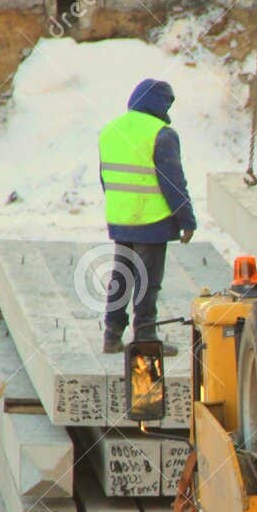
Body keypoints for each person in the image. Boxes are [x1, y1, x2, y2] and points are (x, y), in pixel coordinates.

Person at [97, 78, 196, 354]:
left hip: (121, 217)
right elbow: (174, 182)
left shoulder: (110, 130)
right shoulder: (162, 134)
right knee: (148, 280)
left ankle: (112, 335)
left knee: (122, 276)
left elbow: (105, 178)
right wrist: (186, 220)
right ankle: (145, 337)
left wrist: (120, 207)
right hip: (152, 220)